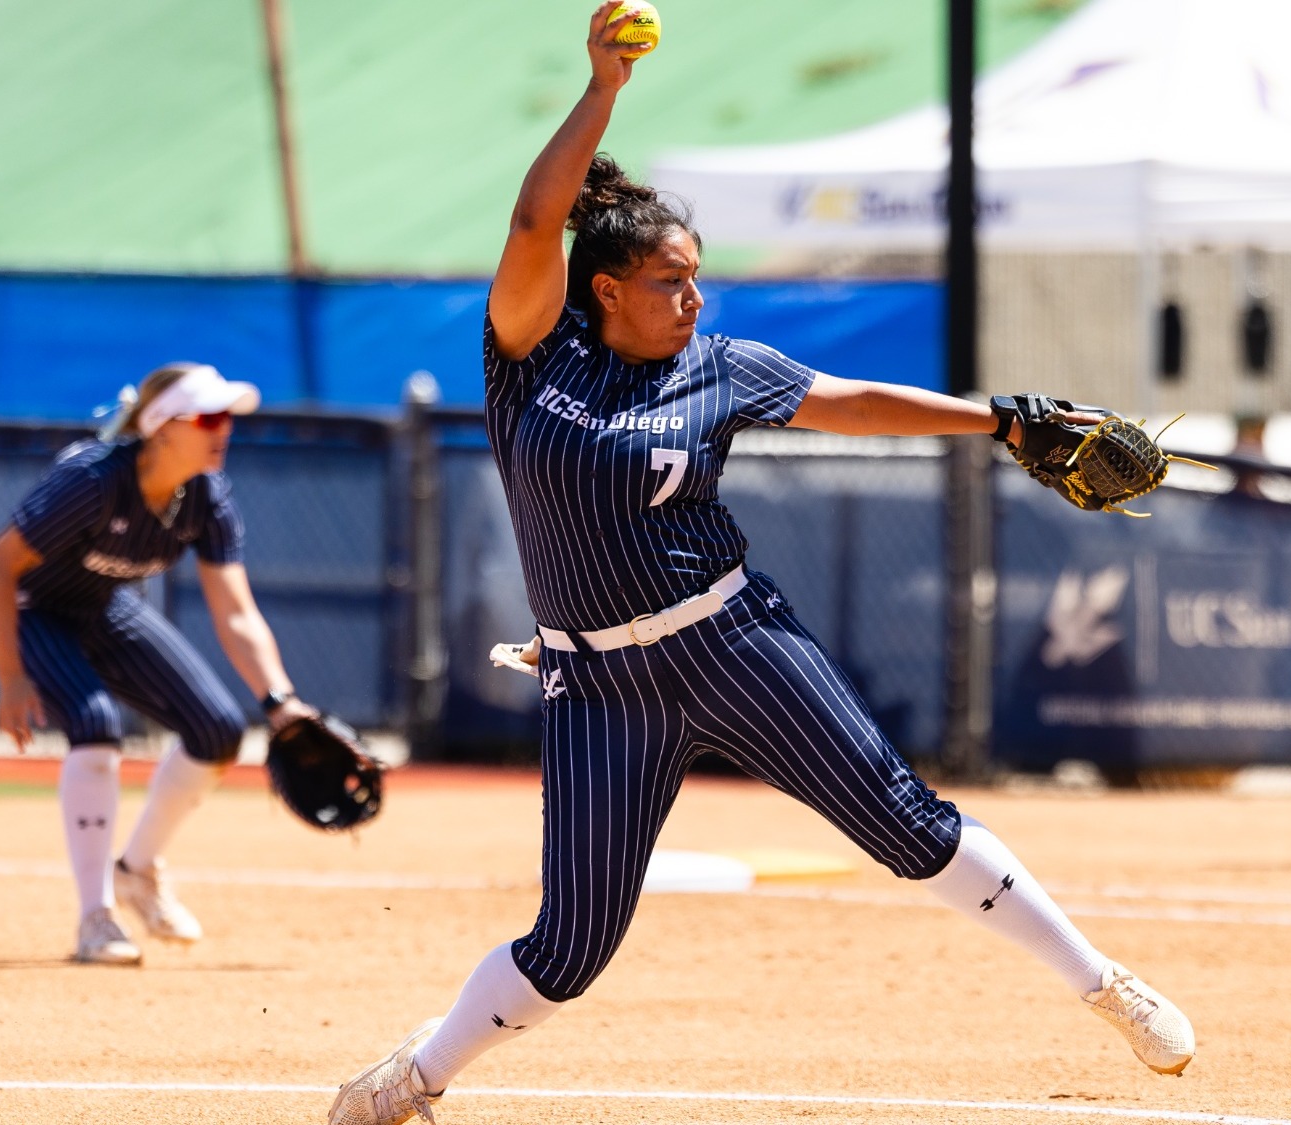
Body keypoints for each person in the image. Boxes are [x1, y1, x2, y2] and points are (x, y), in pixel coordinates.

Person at [327, 7, 1194, 1122]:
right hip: (597, 684)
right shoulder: (528, 355)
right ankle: (414, 1078)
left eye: (696, 278)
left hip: (732, 640)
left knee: (906, 825)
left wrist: (998, 421)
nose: (693, 297)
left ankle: (1101, 984)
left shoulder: (722, 367)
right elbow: (535, 218)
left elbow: (846, 402)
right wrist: (602, 90)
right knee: (572, 945)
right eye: (669, 281)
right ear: (604, 289)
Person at [0, 362, 319, 965]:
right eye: (209, 416)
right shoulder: (94, 480)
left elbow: (235, 611)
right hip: (22, 610)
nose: (224, 427)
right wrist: (9, 677)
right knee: (96, 724)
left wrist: (280, 700)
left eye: (227, 415)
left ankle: (136, 869)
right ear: (162, 427)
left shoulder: (206, 497)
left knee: (218, 731)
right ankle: (95, 918)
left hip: (96, 607)